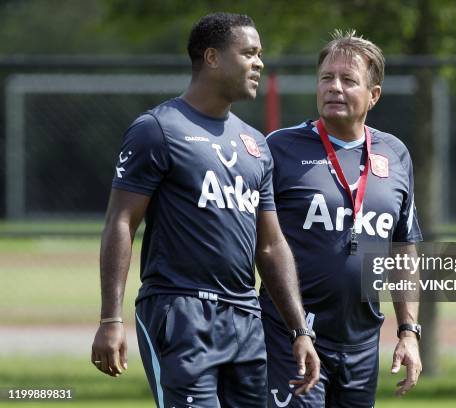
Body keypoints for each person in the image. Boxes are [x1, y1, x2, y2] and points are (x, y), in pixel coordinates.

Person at [90, 12, 319, 408]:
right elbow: (122, 222)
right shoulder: (157, 129)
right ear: (212, 58)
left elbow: (271, 245)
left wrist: (299, 330)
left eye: (260, 54)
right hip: (179, 310)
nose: (259, 63)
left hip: (246, 317)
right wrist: (111, 319)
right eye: (248, 52)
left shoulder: (255, 144)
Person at [260, 30, 423, 407]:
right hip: (291, 337)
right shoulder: (280, 148)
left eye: (348, 80)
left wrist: (409, 331)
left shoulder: (395, 154)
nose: (334, 87)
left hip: (363, 344)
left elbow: (403, 248)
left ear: (374, 96)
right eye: (326, 78)